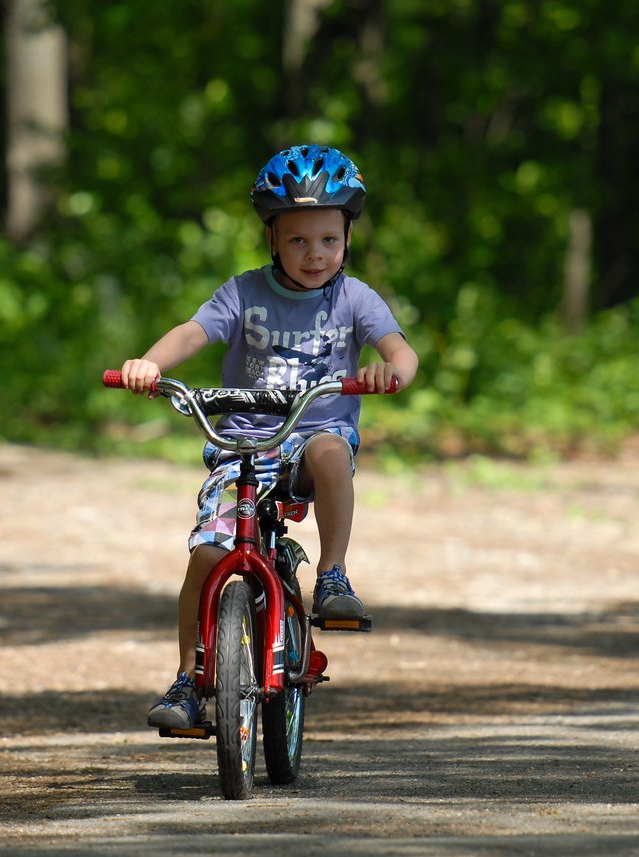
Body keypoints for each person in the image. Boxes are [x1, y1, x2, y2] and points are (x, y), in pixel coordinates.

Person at [119, 144, 418, 729]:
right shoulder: (243, 293)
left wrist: (392, 372)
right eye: (298, 240)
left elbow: (400, 352)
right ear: (272, 240)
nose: (315, 254)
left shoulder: (355, 299)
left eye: (328, 240)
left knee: (331, 449)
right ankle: (187, 681)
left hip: (313, 436)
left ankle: (333, 576)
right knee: (207, 555)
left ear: (347, 239)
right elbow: (193, 332)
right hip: (244, 447)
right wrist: (149, 363)